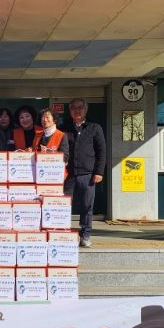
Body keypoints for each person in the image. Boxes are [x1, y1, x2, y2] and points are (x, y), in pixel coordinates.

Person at [61, 98, 106, 248]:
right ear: (70, 110)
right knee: (64, 204)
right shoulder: (64, 128)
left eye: (80, 107)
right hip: (68, 174)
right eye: (74, 108)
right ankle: (63, 232)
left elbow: (102, 151)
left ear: (85, 110)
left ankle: (85, 234)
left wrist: (99, 172)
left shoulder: (94, 127)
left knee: (87, 205)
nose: (77, 110)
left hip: (88, 174)